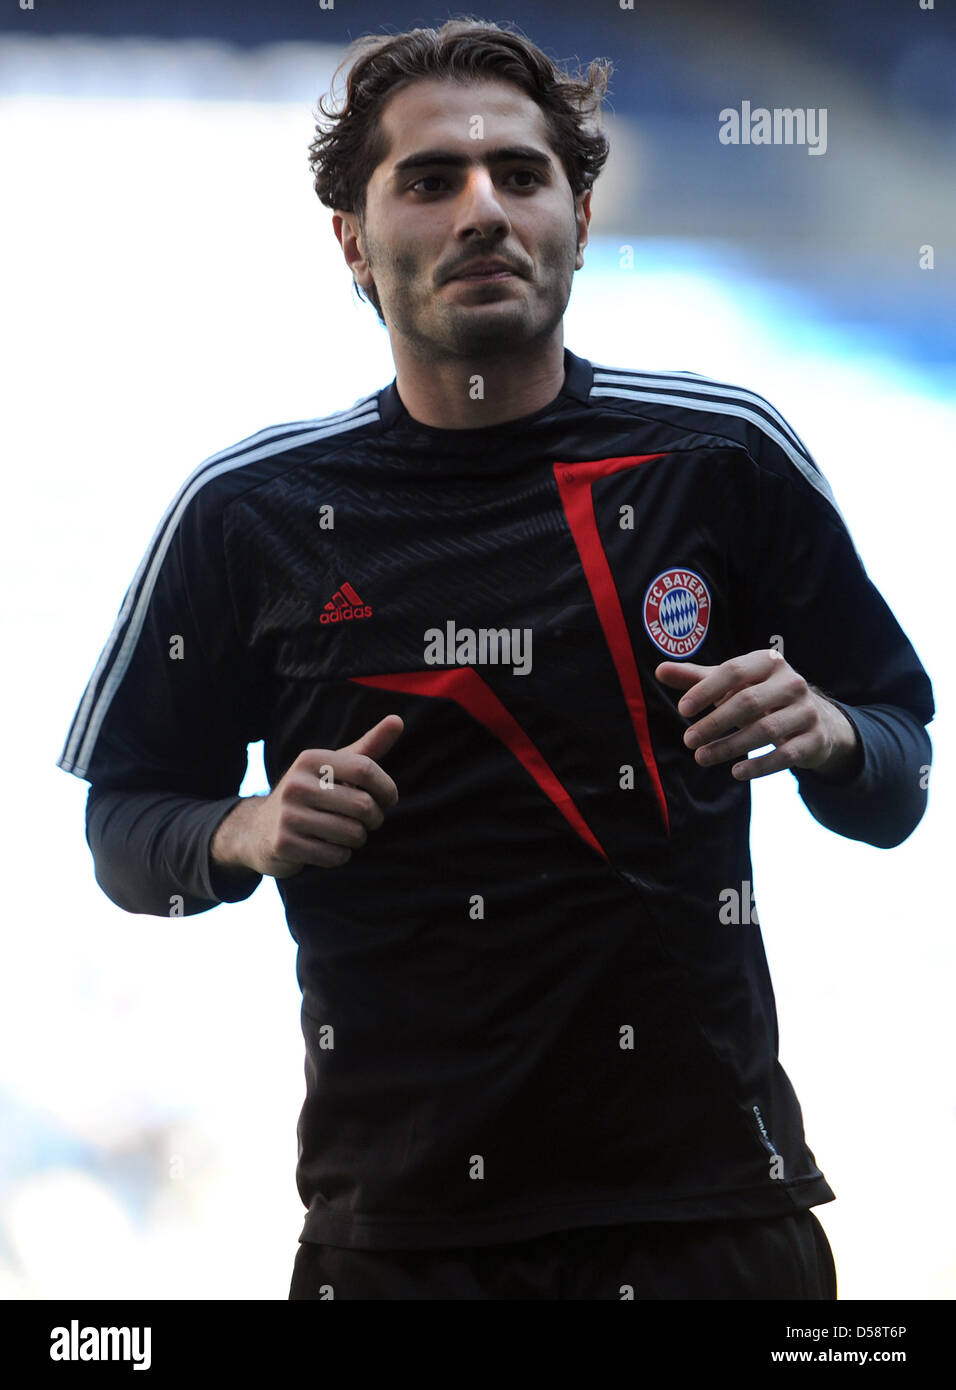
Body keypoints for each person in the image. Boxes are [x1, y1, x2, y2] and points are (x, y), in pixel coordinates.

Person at [57, 19, 934, 1300]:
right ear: (351, 239)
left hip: (707, 1225)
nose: (483, 209)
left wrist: (834, 734)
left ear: (577, 213)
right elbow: (125, 837)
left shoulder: (720, 462)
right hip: (399, 1245)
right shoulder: (248, 515)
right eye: (430, 180)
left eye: (520, 177)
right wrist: (244, 830)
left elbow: (896, 778)